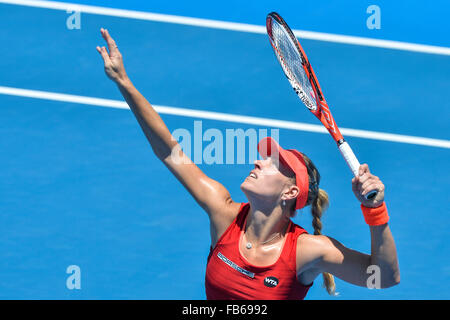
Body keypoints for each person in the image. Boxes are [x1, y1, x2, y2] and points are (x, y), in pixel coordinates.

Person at [96, 28, 400, 299]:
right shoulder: (223, 212)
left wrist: (375, 211)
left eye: (273, 165)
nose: (258, 162)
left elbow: (384, 278)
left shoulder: (307, 250)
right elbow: (168, 151)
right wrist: (124, 82)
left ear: (290, 192)